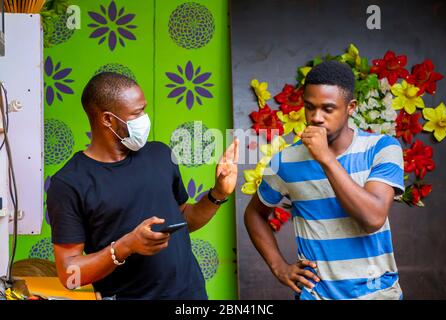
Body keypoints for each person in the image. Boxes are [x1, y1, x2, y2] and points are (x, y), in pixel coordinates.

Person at [47, 72, 239, 300]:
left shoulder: (160, 154)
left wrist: (218, 193)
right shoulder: (70, 183)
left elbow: (183, 220)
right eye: (137, 113)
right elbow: (70, 275)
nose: (144, 119)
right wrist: (126, 246)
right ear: (107, 119)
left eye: (144, 109)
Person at [244, 60, 404, 300]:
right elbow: (254, 214)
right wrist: (279, 267)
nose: (316, 118)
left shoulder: (381, 148)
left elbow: (373, 218)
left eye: (328, 109)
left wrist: (326, 159)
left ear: (350, 107)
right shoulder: (286, 161)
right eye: (310, 107)